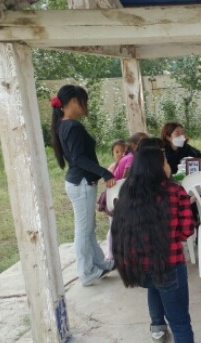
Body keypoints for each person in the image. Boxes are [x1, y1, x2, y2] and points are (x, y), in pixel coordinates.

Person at [110, 147, 201, 343]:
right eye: (165, 161)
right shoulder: (175, 191)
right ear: (158, 166)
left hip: (139, 266)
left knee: (154, 285)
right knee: (181, 323)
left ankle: (158, 330)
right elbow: (186, 231)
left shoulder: (128, 191)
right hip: (170, 265)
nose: (168, 165)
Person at [50, 84, 115, 287]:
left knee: (88, 228)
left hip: (79, 182)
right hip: (82, 183)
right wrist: (104, 172)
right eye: (83, 101)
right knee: (84, 230)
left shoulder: (64, 124)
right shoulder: (72, 126)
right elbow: (79, 159)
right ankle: (86, 273)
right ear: (72, 101)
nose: (85, 105)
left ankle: (100, 263)